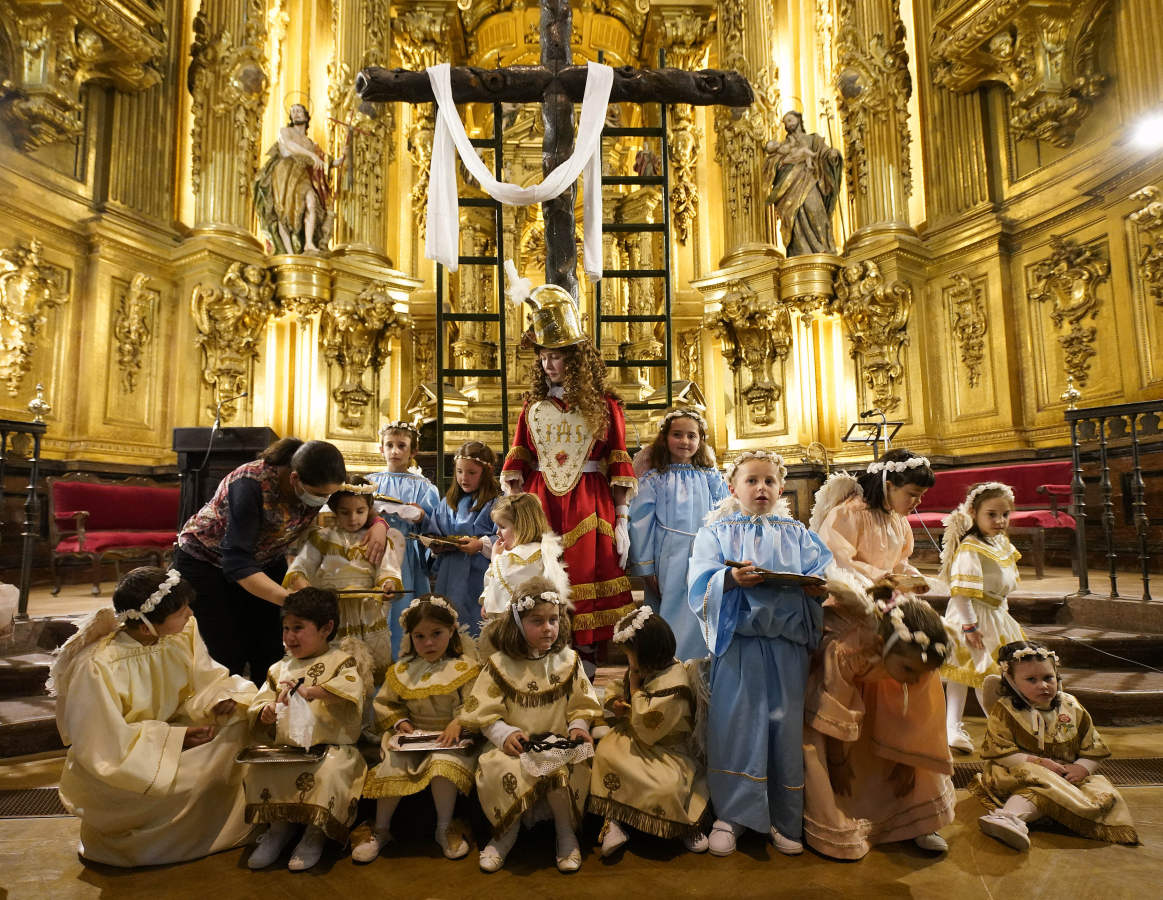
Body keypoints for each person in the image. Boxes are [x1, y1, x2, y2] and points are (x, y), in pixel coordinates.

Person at [51, 567, 257, 867]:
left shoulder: (181, 632)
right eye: (180, 612)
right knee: (190, 779)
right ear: (147, 627)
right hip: (131, 756)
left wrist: (219, 699)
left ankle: (235, 828)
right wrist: (175, 739)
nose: (190, 614)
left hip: (175, 730)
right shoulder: (97, 666)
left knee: (240, 725)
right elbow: (102, 743)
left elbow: (205, 678)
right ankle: (157, 846)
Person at [686, 450, 833, 857]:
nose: (761, 488)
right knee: (737, 726)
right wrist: (729, 578)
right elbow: (700, 579)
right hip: (739, 644)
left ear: (781, 488)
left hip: (786, 647)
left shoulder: (798, 533)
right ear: (733, 487)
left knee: (783, 730)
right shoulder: (716, 532)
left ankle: (783, 818)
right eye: (751, 480)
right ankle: (731, 815)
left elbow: (820, 570)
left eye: (769, 481)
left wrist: (816, 586)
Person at [502, 277, 637, 667]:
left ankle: (585, 671)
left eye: (557, 357)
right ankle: (544, 662)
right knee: (544, 583)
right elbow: (516, 466)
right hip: (540, 503)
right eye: (544, 357)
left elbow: (619, 465)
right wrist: (512, 520)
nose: (548, 365)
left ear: (575, 359)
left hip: (590, 502)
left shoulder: (606, 405)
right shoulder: (531, 407)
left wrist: (623, 519)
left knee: (585, 580)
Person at [174, 437, 389, 677]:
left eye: (329, 495)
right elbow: (237, 561)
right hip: (206, 563)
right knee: (225, 650)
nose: (324, 501)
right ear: (295, 479)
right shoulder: (249, 485)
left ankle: (268, 698)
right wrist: (290, 600)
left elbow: (355, 502)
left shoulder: (320, 480)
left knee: (269, 647)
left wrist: (379, 524)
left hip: (264, 560)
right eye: (320, 495)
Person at [460, 576, 603, 874]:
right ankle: (505, 833)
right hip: (514, 748)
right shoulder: (500, 664)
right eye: (537, 621)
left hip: (558, 744)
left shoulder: (569, 661)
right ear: (517, 622)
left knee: (559, 769)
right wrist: (503, 733)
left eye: (553, 619)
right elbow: (482, 711)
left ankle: (566, 833)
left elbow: (582, 704)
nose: (548, 628)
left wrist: (578, 726)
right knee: (502, 769)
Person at [802, 595, 955, 859]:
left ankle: (917, 822)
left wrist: (907, 761)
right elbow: (835, 708)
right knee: (847, 775)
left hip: (883, 697)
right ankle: (852, 824)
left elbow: (917, 716)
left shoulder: (917, 663)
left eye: (920, 673)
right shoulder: (849, 650)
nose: (914, 680)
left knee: (909, 775)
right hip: (840, 704)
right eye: (909, 670)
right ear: (883, 644)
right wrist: (837, 762)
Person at [243, 588, 369, 871]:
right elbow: (261, 699)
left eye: (298, 628)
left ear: (326, 628)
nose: (290, 636)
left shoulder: (342, 661)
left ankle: (315, 833)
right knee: (260, 770)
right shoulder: (279, 668)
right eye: (286, 628)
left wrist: (312, 691)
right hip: (287, 748)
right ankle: (278, 829)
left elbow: (350, 690)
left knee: (330, 772)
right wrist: (265, 711)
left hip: (331, 748)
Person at [973, 641, 1138, 850]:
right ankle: (1009, 817)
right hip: (1017, 771)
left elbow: (1092, 746)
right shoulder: (1005, 710)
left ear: (1057, 675)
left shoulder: (1071, 706)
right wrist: (1039, 762)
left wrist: (1082, 767)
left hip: (1064, 775)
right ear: (1011, 681)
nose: (1043, 685)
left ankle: (1019, 818)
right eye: (1031, 680)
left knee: (1102, 794)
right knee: (1036, 786)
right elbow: (1000, 751)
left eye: (1048, 677)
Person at [354, 596, 482, 863]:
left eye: (436, 634)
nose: (428, 643)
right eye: (419, 636)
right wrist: (400, 722)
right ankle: (381, 829)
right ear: (410, 636)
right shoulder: (402, 669)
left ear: (452, 631)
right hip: (412, 737)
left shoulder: (466, 667)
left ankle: (444, 827)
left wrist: (458, 721)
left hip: (451, 739)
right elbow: (386, 703)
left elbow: (475, 703)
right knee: (393, 764)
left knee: (442, 765)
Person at [588, 606, 710, 858]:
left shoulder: (673, 684)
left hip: (667, 749)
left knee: (666, 787)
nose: (629, 664)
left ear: (649, 654)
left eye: (630, 657)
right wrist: (615, 701)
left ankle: (685, 824)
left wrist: (634, 689)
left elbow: (648, 726)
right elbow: (619, 686)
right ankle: (614, 820)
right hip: (635, 737)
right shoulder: (644, 668)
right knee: (606, 756)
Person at [628, 408, 728, 660]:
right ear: (665, 438)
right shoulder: (655, 479)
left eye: (691, 436)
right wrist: (646, 567)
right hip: (668, 555)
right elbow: (641, 522)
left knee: (701, 609)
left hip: (705, 555)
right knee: (670, 609)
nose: (685, 441)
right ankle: (669, 664)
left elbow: (725, 513)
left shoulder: (710, 477)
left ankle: (701, 665)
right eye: (677, 435)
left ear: (700, 440)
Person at [285, 476, 405, 680]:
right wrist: (304, 586)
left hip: (366, 611)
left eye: (360, 511)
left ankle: (368, 698)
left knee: (369, 667)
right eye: (345, 512)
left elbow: (388, 569)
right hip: (333, 609)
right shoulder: (322, 537)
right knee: (333, 665)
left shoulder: (377, 539)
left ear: (369, 509)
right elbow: (301, 566)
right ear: (334, 510)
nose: (353, 518)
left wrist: (387, 584)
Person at [938, 482, 1026, 753]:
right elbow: (961, 593)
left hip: (995, 615)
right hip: (973, 617)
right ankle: (960, 728)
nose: (1000, 521)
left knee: (977, 673)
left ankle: (988, 728)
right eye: (992, 514)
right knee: (976, 674)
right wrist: (969, 626)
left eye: (1005, 514)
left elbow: (1003, 585)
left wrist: (1003, 616)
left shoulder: (1000, 543)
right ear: (973, 513)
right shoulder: (971, 548)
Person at [809, 448, 935, 589]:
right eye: (913, 494)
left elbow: (899, 562)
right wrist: (885, 580)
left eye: (922, 495)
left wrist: (913, 577)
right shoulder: (849, 514)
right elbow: (837, 564)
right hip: (853, 592)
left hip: (885, 591)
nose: (919, 501)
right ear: (888, 486)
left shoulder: (897, 517)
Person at [368, 420, 442, 656]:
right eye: (389, 445)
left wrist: (421, 516)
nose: (395, 451)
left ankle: (404, 656)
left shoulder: (423, 487)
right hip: (375, 549)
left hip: (407, 554)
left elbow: (434, 525)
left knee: (403, 605)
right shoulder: (370, 483)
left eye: (401, 446)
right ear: (381, 448)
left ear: (413, 451)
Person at [427, 440, 500, 634]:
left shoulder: (497, 503)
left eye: (471, 473)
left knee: (476, 625)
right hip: (450, 573)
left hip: (480, 573)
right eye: (459, 471)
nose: (463, 478)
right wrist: (436, 545)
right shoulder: (447, 503)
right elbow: (434, 530)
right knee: (449, 621)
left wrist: (481, 544)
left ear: (487, 472)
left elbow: (506, 539)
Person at [254, 102, 341, 254]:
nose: (295, 113)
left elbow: (326, 161)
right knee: (283, 210)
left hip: (302, 174)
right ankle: (289, 252)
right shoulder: (285, 131)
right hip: (284, 171)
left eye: (299, 111)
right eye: (293, 111)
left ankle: (308, 243)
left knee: (311, 203)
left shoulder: (310, 143)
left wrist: (342, 157)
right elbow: (289, 145)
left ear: (306, 117)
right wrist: (311, 155)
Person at [479, 492, 570, 622]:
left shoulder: (530, 553)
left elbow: (511, 579)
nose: (497, 532)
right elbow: (496, 586)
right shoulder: (512, 553)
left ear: (521, 527)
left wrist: (495, 559)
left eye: (502, 527)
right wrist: (488, 600)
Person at [763, 110, 843, 256]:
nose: (788, 123)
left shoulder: (813, 139)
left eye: (790, 119)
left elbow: (823, 154)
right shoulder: (783, 146)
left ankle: (825, 247)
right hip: (790, 188)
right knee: (796, 216)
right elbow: (772, 165)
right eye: (786, 122)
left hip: (810, 180)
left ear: (798, 119)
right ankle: (800, 252)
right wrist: (785, 161)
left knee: (815, 209)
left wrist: (832, 156)